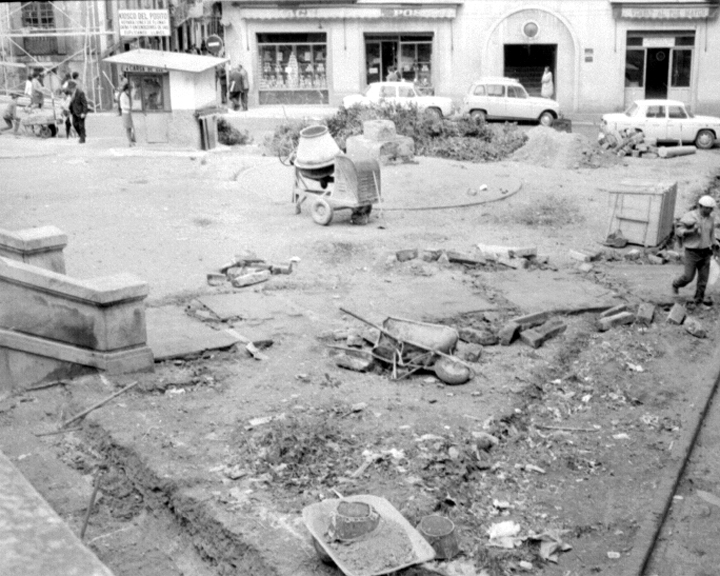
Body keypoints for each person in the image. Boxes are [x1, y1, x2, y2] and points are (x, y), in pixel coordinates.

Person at [672, 195, 719, 306]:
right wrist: (691, 231)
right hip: (692, 252)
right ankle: (675, 284)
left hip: (705, 252)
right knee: (688, 277)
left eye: (711, 208)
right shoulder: (690, 216)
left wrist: (715, 245)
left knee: (703, 280)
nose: (709, 210)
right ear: (700, 206)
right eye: (707, 208)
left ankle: (698, 300)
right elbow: (679, 230)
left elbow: (711, 233)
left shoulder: (710, 219)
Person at [118, 82, 136, 147]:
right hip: (126, 112)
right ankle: (130, 142)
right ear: (126, 89)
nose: (130, 91)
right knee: (128, 128)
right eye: (129, 90)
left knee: (132, 127)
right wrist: (130, 108)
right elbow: (122, 106)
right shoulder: (123, 95)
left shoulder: (129, 95)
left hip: (130, 112)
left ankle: (132, 140)